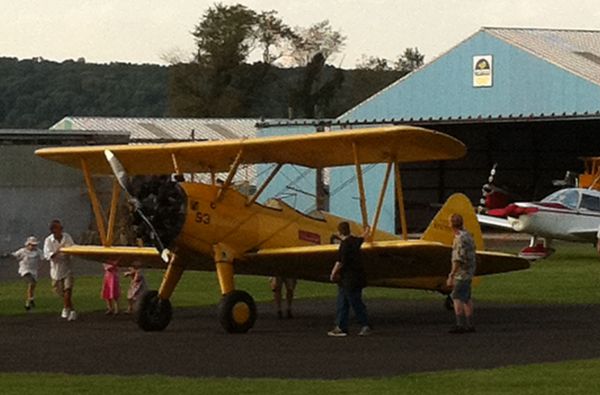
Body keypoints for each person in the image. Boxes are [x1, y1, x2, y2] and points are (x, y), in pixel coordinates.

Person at [328, 222, 371, 337]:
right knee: (343, 303)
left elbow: (340, 261)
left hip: (349, 279)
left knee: (355, 303)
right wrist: (367, 230)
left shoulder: (344, 245)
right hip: (352, 279)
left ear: (340, 232)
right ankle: (341, 327)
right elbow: (363, 237)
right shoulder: (355, 241)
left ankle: (365, 325)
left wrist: (333, 273)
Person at [446, 213, 477, 334]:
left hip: (462, 273)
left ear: (452, 224)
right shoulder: (468, 235)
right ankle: (470, 324)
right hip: (470, 271)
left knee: (456, 297)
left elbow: (457, 259)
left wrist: (451, 275)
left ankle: (459, 324)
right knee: (467, 298)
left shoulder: (459, 238)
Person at [43, 219, 77, 321]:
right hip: (55, 270)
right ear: (53, 230)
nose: (61, 230)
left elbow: (72, 248)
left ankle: (68, 310)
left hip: (67, 268)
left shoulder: (67, 237)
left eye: (61, 228)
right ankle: (70, 309)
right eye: (58, 228)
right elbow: (48, 255)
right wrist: (58, 251)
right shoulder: (48, 240)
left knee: (68, 289)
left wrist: (67, 252)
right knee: (59, 292)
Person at [11, 236, 43, 310]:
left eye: (34, 245)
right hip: (25, 269)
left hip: (34, 271)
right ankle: (30, 299)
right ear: (28, 244)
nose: (33, 246)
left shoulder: (38, 251)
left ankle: (28, 302)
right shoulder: (22, 251)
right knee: (31, 282)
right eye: (31, 245)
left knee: (32, 286)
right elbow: (15, 255)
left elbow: (44, 257)